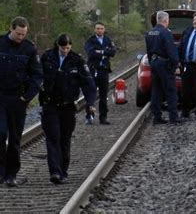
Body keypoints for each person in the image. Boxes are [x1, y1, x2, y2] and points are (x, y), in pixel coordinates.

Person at [39, 34, 96, 184]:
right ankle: (55, 172)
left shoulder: (77, 60)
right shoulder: (47, 58)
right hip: (50, 104)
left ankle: (63, 170)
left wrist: (90, 103)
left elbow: (88, 84)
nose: (65, 50)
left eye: (68, 48)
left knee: (64, 139)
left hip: (68, 106)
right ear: (57, 46)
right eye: (63, 48)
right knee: (53, 138)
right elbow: (37, 75)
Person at [0, 16, 43, 187]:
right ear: (11, 29)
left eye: (23, 34)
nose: (20, 37)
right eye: (18, 34)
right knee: (1, 134)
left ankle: (11, 174)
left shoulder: (30, 49)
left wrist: (27, 97)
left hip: (18, 99)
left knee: (15, 138)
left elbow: (37, 75)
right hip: (1, 98)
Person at [146, 10, 181, 124]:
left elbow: (148, 50)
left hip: (154, 63)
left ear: (157, 20)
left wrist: (152, 62)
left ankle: (157, 117)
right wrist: (176, 64)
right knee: (171, 91)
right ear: (166, 20)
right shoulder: (166, 33)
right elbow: (171, 50)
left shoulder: (150, 32)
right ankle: (173, 117)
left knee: (156, 91)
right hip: (164, 64)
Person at [84, 22, 116, 125]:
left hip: (104, 70)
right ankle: (90, 115)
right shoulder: (90, 40)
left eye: (101, 28)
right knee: (91, 94)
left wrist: (100, 52)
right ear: (95, 30)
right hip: (93, 70)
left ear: (104, 29)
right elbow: (91, 53)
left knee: (103, 95)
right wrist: (104, 52)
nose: (100, 30)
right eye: (98, 28)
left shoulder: (108, 40)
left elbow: (113, 52)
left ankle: (103, 117)